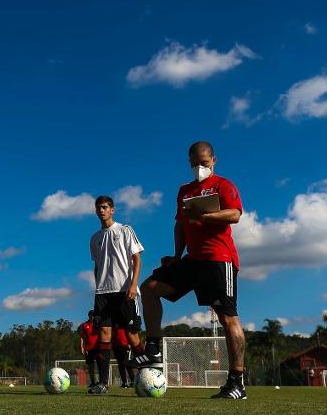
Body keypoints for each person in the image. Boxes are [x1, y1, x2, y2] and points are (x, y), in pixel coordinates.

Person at [128, 141, 247, 399]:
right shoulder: (184, 190)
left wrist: (205, 217)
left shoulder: (223, 185)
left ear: (213, 160)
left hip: (219, 259)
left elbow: (235, 214)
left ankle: (237, 382)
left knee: (228, 319)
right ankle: (154, 347)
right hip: (192, 260)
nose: (199, 168)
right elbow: (180, 225)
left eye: (204, 163)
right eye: (194, 163)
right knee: (149, 288)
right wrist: (177, 254)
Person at [87, 195, 145, 395]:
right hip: (103, 293)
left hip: (124, 290)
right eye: (98, 208)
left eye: (104, 207)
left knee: (132, 336)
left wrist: (133, 284)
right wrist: (97, 287)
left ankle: (146, 376)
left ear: (112, 210)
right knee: (104, 336)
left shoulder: (125, 230)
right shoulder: (94, 238)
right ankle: (103, 384)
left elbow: (137, 259)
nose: (101, 211)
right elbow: (97, 265)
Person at [77, 310, 99, 388]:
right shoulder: (84, 325)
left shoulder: (98, 324)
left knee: (100, 366)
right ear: (88, 316)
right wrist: (82, 347)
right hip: (89, 349)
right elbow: (82, 337)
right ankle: (93, 382)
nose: (92, 317)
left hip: (98, 348)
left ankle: (101, 382)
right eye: (90, 315)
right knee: (91, 366)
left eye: (93, 315)